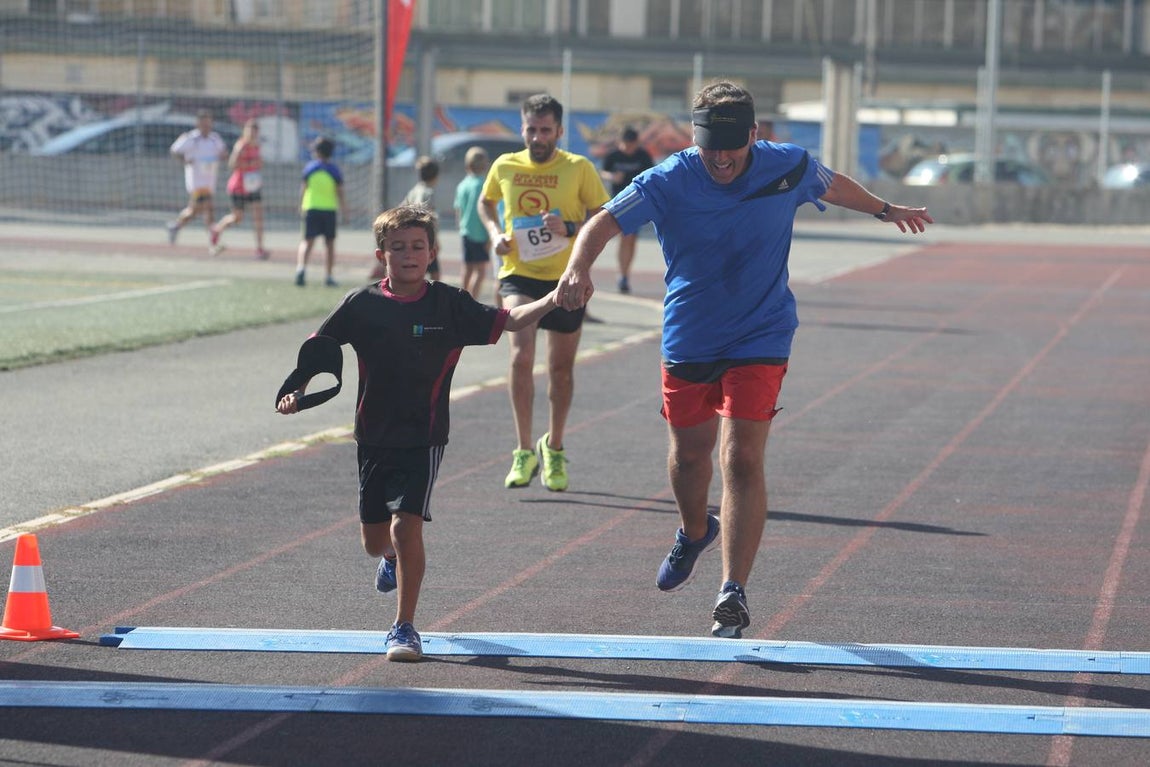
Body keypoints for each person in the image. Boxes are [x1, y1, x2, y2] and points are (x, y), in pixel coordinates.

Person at [556, 81, 933, 639]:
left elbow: (831, 184)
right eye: (710, 147)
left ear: (754, 135)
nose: (721, 159)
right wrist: (577, 267)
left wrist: (884, 210)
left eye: (731, 148)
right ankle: (693, 531)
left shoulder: (788, 166)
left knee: (741, 459)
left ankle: (732, 592)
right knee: (690, 459)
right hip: (690, 335)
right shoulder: (668, 178)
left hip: (763, 332)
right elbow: (605, 220)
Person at [276, 204, 559, 661]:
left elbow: (510, 320)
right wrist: (297, 389)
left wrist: (553, 299)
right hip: (373, 435)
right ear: (381, 254)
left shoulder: (451, 304)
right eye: (398, 247)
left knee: (406, 528)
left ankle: (404, 627)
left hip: (424, 437)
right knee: (375, 542)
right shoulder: (361, 304)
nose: (408, 255)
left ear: (432, 252)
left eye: (417, 246)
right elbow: (319, 349)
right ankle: (389, 559)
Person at [478, 94, 610, 492]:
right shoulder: (505, 165)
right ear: (522, 129)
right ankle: (523, 450)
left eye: (545, 130)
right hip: (518, 274)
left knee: (560, 369)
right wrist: (495, 234)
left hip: (566, 278)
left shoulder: (578, 167)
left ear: (559, 131)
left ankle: (553, 447)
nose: (537, 138)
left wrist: (568, 228)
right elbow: (486, 203)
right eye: (531, 130)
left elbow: (604, 215)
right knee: (521, 356)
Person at [599, 126, 654, 293]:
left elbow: (652, 174)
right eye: (625, 144)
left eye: (631, 145)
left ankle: (624, 274)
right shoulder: (613, 156)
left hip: (637, 202)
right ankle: (621, 274)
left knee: (630, 238)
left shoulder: (643, 156)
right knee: (622, 236)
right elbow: (603, 171)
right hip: (618, 202)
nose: (628, 148)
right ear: (620, 142)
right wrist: (612, 176)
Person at [166, 110, 228, 249]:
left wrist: (222, 156)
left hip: (210, 180)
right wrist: (185, 160)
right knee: (208, 207)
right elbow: (174, 150)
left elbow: (223, 153)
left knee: (195, 210)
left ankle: (175, 226)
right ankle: (213, 241)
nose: (207, 126)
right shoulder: (191, 138)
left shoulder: (215, 139)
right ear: (198, 124)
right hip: (196, 181)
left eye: (209, 123)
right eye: (204, 123)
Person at [210, 118, 270, 259]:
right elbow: (232, 164)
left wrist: (258, 163)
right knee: (237, 218)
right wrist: (250, 164)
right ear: (245, 131)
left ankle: (259, 249)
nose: (252, 134)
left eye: (255, 131)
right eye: (250, 130)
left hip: (253, 186)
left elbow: (259, 163)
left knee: (258, 217)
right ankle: (217, 229)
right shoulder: (241, 145)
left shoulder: (257, 146)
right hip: (239, 187)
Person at [296, 136, 346, 288]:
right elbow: (340, 192)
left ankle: (301, 269)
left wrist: (300, 205)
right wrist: (345, 209)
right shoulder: (334, 170)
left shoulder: (310, 168)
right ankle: (329, 276)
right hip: (329, 210)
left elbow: (303, 188)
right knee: (329, 244)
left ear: (317, 151)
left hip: (311, 208)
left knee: (307, 241)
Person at [453, 146, 491, 298]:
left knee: (467, 268)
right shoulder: (483, 185)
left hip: (466, 232)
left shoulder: (462, 185)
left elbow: (458, 209)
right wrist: (489, 236)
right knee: (480, 271)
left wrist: (460, 226)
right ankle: (471, 300)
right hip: (480, 233)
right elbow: (484, 211)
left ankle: (461, 298)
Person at [404, 156, 441, 280]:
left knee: (421, 269)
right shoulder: (428, 192)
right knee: (434, 273)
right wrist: (435, 240)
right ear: (435, 176)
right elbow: (426, 215)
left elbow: (402, 208)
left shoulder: (414, 190)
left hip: (413, 235)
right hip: (425, 237)